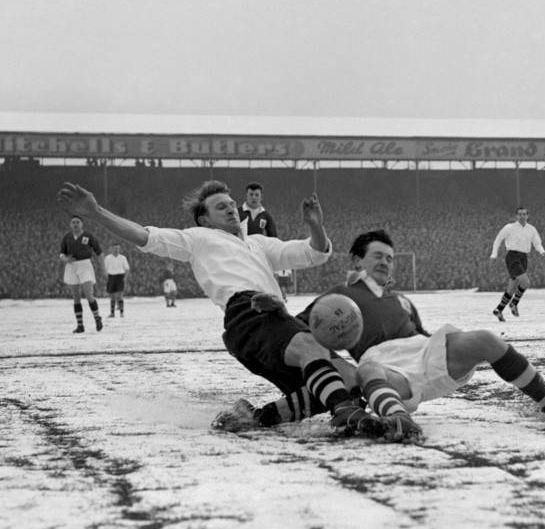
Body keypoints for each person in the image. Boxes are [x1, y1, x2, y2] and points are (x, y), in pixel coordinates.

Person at [57, 180, 387, 438]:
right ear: (204, 218)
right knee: (316, 354)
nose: (231, 209)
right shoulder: (198, 238)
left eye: (231, 204)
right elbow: (145, 237)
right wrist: (96, 212)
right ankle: (345, 413)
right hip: (247, 314)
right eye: (220, 207)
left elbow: (313, 253)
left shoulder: (258, 243)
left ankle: (256, 417)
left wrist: (316, 226)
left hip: (277, 318)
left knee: (349, 381)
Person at [222, 230, 545, 441]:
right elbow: (306, 331)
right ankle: (400, 423)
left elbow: (423, 336)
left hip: (423, 351)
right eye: (377, 256)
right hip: (381, 364)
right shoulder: (336, 298)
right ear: (357, 262)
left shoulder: (401, 300)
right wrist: (279, 310)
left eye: (390, 257)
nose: (385, 262)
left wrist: (445, 349)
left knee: (486, 339)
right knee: (365, 375)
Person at [489, 207, 545, 320]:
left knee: (512, 287)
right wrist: (494, 254)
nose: (522, 216)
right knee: (525, 282)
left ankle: (499, 309)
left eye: (524, 214)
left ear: (527, 215)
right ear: (516, 216)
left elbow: (537, 243)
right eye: (520, 214)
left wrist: (542, 251)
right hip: (512, 257)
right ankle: (514, 303)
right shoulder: (509, 227)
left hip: (524, 258)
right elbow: (498, 239)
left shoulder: (531, 229)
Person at [241, 182, 292, 297]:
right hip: (241, 254)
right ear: (246, 196)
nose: (254, 197)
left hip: (258, 256)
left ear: (261, 197)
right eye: (251, 194)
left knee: (259, 285)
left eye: (256, 195)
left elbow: (273, 237)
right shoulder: (237, 213)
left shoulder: (266, 216)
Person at [58, 215, 104, 333]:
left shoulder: (88, 236)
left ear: (82, 224)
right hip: (72, 266)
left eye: (77, 222)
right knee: (76, 298)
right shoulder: (67, 237)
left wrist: (103, 268)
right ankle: (80, 325)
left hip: (85, 265)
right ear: (70, 224)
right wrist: (66, 259)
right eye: (73, 222)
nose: (75, 224)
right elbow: (61, 254)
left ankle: (97, 318)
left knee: (89, 295)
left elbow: (99, 252)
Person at [103, 241, 130, 318]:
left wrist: (125, 278)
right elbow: (105, 269)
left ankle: (121, 313)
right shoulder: (107, 258)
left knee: (120, 295)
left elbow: (127, 269)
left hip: (120, 276)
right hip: (111, 276)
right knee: (112, 296)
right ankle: (112, 313)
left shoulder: (123, 258)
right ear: (112, 249)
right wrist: (106, 278)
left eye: (118, 248)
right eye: (115, 248)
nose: (116, 250)